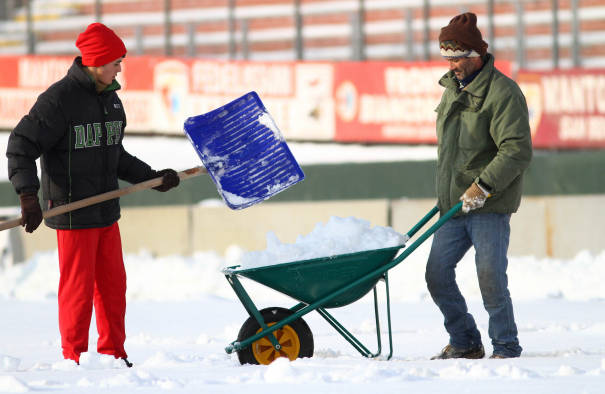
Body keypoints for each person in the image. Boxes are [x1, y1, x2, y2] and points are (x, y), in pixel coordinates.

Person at [6, 23, 180, 367]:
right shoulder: (59, 101)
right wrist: (28, 195)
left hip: (104, 212)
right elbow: (20, 146)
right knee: (78, 293)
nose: (120, 68)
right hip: (72, 213)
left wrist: (153, 177)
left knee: (114, 289)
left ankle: (114, 354)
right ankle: (74, 359)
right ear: (97, 62)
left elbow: (116, 155)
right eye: (116, 62)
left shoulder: (110, 100)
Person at [426, 12, 532, 359]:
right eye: (447, 58)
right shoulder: (451, 90)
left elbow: (516, 150)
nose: (451, 65)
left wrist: (482, 187)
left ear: (476, 56)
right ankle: (465, 341)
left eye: (458, 58)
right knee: (437, 275)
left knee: (489, 276)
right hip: (454, 204)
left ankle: (505, 346)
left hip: (488, 203)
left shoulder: (503, 93)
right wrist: (449, 194)